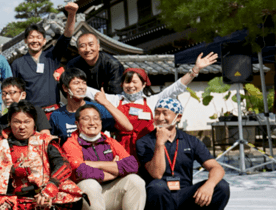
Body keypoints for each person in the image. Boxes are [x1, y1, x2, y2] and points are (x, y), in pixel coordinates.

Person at [85, 52, 218, 158]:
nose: (130, 86)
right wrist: (68, 80)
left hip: (148, 149)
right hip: (121, 149)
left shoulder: (152, 101)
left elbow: (176, 87)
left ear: (143, 85)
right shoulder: (113, 100)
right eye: (127, 82)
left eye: (135, 82)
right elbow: (88, 91)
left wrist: (195, 70)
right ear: (122, 85)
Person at [0, 100, 83, 210]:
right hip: (13, 198)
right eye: (17, 122)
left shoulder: (46, 141)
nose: (22, 126)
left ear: (34, 122)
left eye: (27, 122)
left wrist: (49, 190)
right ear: (10, 122)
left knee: (70, 197)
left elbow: (63, 165)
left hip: (44, 195)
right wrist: (12, 170)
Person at [137, 98, 230, 210]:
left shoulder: (191, 141)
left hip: (185, 198)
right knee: (157, 186)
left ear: (178, 117)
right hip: (158, 201)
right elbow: (156, 174)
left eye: (165, 113)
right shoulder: (144, 142)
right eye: (157, 113)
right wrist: (159, 143)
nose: (160, 117)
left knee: (221, 186)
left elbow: (217, 168)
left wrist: (209, 185)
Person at [62, 105, 145, 210]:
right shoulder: (71, 143)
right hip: (83, 205)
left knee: (135, 180)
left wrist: (97, 164)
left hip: (108, 198)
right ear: (77, 124)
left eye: (96, 118)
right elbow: (81, 171)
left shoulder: (109, 141)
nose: (92, 122)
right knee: (90, 184)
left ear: (101, 122)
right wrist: (115, 170)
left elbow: (132, 165)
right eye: (86, 119)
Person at [10, 2, 78, 116]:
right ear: (26, 41)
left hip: (53, 111)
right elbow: (13, 91)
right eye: (31, 37)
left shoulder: (52, 56)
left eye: (38, 37)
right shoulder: (17, 64)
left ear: (44, 41)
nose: (35, 41)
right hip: (30, 113)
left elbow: (67, 36)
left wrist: (71, 14)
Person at [49, 68, 133, 144]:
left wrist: (106, 102)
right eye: (76, 83)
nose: (81, 87)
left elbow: (128, 127)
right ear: (65, 88)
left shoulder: (97, 109)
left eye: (84, 83)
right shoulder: (57, 115)